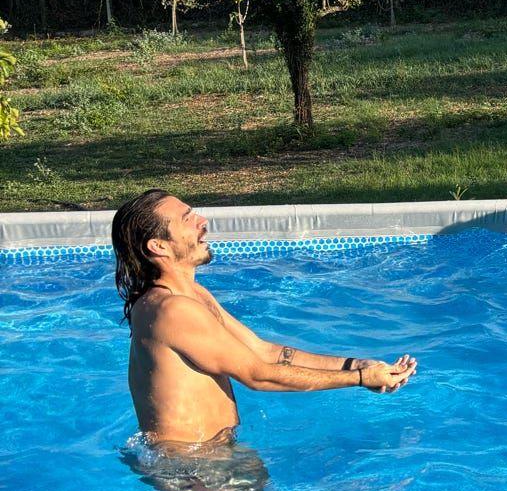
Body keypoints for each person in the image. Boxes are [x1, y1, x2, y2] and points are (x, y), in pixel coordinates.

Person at [111, 189, 417, 445]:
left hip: (209, 455)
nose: (202, 221)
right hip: (191, 467)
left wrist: (355, 364)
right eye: (187, 219)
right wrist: (359, 379)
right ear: (159, 246)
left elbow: (262, 351)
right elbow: (257, 374)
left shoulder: (192, 295)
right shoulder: (171, 309)